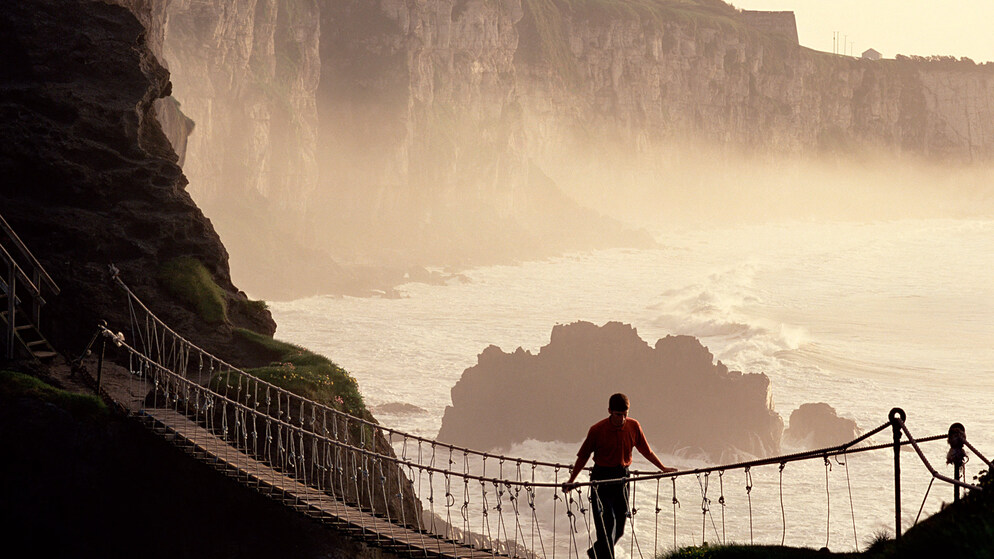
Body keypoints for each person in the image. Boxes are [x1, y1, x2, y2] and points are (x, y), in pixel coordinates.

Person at [562, 393, 677, 559]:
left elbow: (646, 451)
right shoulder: (597, 430)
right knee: (607, 526)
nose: (622, 419)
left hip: (623, 479)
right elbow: (583, 456)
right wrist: (571, 481)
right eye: (618, 415)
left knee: (620, 529)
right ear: (609, 411)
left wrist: (663, 468)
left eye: (625, 414)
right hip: (601, 480)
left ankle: (595, 552)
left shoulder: (634, 426)